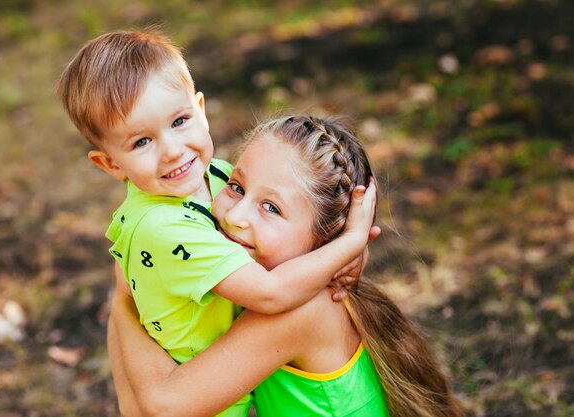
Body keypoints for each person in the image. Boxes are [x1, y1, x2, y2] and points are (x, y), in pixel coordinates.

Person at [56, 29, 376, 417]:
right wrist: (351, 241)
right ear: (109, 164)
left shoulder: (216, 176)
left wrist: (345, 252)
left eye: (179, 121)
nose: (173, 151)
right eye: (142, 142)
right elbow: (271, 291)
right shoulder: (164, 227)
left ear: (200, 109)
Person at [109, 115, 466, 417]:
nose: (236, 216)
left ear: (325, 239)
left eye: (271, 208)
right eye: (236, 186)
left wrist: (126, 297)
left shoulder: (295, 311)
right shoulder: (277, 278)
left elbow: (162, 406)